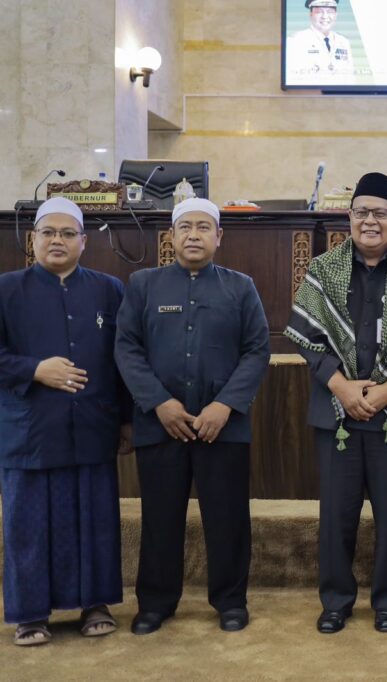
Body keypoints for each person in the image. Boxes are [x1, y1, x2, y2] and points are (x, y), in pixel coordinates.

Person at [285, 172, 387, 635]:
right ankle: (336, 600)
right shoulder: (323, 269)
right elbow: (306, 336)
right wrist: (341, 386)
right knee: (336, 513)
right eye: (360, 212)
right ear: (348, 217)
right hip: (335, 411)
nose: (369, 221)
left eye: (379, 213)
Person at [115, 198, 270, 635]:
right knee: (160, 518)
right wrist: (158, 403)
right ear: (171, 236)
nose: (194, 235)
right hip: (159, 424)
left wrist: (225, 405)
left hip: (224, 427)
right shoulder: (143, 284)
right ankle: (156, 603)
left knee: (228, 518)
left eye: (204, 227)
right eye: (185, 227)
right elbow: (127, 348)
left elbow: (257, 350)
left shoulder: (241, 287)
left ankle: (231, 601)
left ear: (220, 237)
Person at [0, 198, 131, 646]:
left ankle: (95, 604)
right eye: (48, 233)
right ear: (32, 239)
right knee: (28, 524)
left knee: (94, 520)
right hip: (30, 430)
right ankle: (31, 614)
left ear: (83, 241)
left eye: (67, 233)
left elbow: (125, 359)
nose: (57, 241)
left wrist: (128, 420)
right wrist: (34, 369)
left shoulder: (109, 289)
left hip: (93, 425)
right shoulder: (6, 289)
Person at [286, 0, 354, 85]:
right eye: (319, 12)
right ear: (310, 14)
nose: (325, 16)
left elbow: (350, 79)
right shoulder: (295, 41)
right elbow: (291, 79)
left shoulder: (344, 42)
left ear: (336, 14)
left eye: (330, 12)